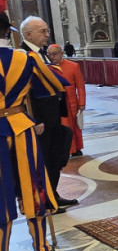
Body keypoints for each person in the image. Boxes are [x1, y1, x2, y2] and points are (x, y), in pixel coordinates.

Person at [0, 11, 62, 251]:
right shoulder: (26, 58)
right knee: (32, 185)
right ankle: (40, 246)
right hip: (20, 126)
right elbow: (53, 86)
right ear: (8, 31)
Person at [18, 16, 77, 208]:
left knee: (56, 156)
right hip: (40, 119)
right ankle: (44, 199)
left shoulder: (43, 53)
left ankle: (52, 193)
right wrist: (34, 119)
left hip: (53, 114)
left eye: (47, 31)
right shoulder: (22, 56)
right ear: (28, 34)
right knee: (43, 159)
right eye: (42, 31)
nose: (47, 34)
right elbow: (25, 92)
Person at [47, 44, 86, 157]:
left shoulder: (73, 66)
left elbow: (80, 86)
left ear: (61, 53)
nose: (52, 57)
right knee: (61, 127)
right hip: (55, 103)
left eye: (54, 54)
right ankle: (64, 149)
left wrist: (82, 103)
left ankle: (75, 148)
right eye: (49, 54)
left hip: (71, 102)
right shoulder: (47, 68)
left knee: (73, 127)